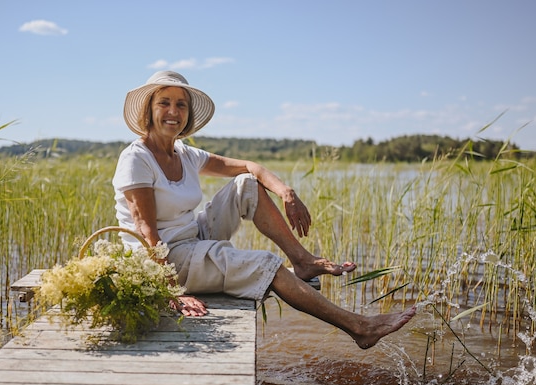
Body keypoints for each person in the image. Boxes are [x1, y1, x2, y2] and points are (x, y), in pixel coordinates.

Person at [112, 71, 415, 349]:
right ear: (149, 111)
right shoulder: (136, 158)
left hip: (192, 237)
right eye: (164, 103)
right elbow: (147, 233)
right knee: (265, 264)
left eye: (181, 105)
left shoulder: (186, 154)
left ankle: (304, 260)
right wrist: (172, 292)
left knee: (247, 183)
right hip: (164, 260)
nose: (173, 112)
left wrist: (286, 192)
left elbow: (250, 167)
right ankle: (360, 327)